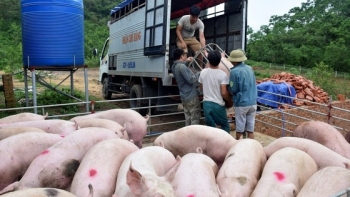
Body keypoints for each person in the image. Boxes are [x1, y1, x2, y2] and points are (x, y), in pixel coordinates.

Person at [198, 50, 232, 133]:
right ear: (220, 60)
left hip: (206, 103)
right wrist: (229, 101)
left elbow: (201, 88)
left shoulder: (203, 72)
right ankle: (225, 144)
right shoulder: (222, 75)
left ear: (208, 60)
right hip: (218, 104)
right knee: (224, 125)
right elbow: (224, 93)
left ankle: (211, 144)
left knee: (210, 128)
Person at [228, 49, 257, 140]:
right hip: (253, 102)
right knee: (250, 129)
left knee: (240, 128)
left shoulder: (234, 72)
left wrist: (228, 89)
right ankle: (251, 146)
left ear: (234, 60)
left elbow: (233, 89)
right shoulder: (249, 68)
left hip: (241, 103)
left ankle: (239, 147)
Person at [171, 48, 201, 126]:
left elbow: (182, 69)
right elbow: (191, 79)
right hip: (191, 95)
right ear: (181, 56)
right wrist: (199, 73)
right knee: (195, 116)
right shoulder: (182, 67)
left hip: (184, 95)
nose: (185, 56)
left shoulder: (174, 66)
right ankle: (193, 134)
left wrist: (187, 61)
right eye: (184, 55)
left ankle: (187, 134)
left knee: (188, 116)